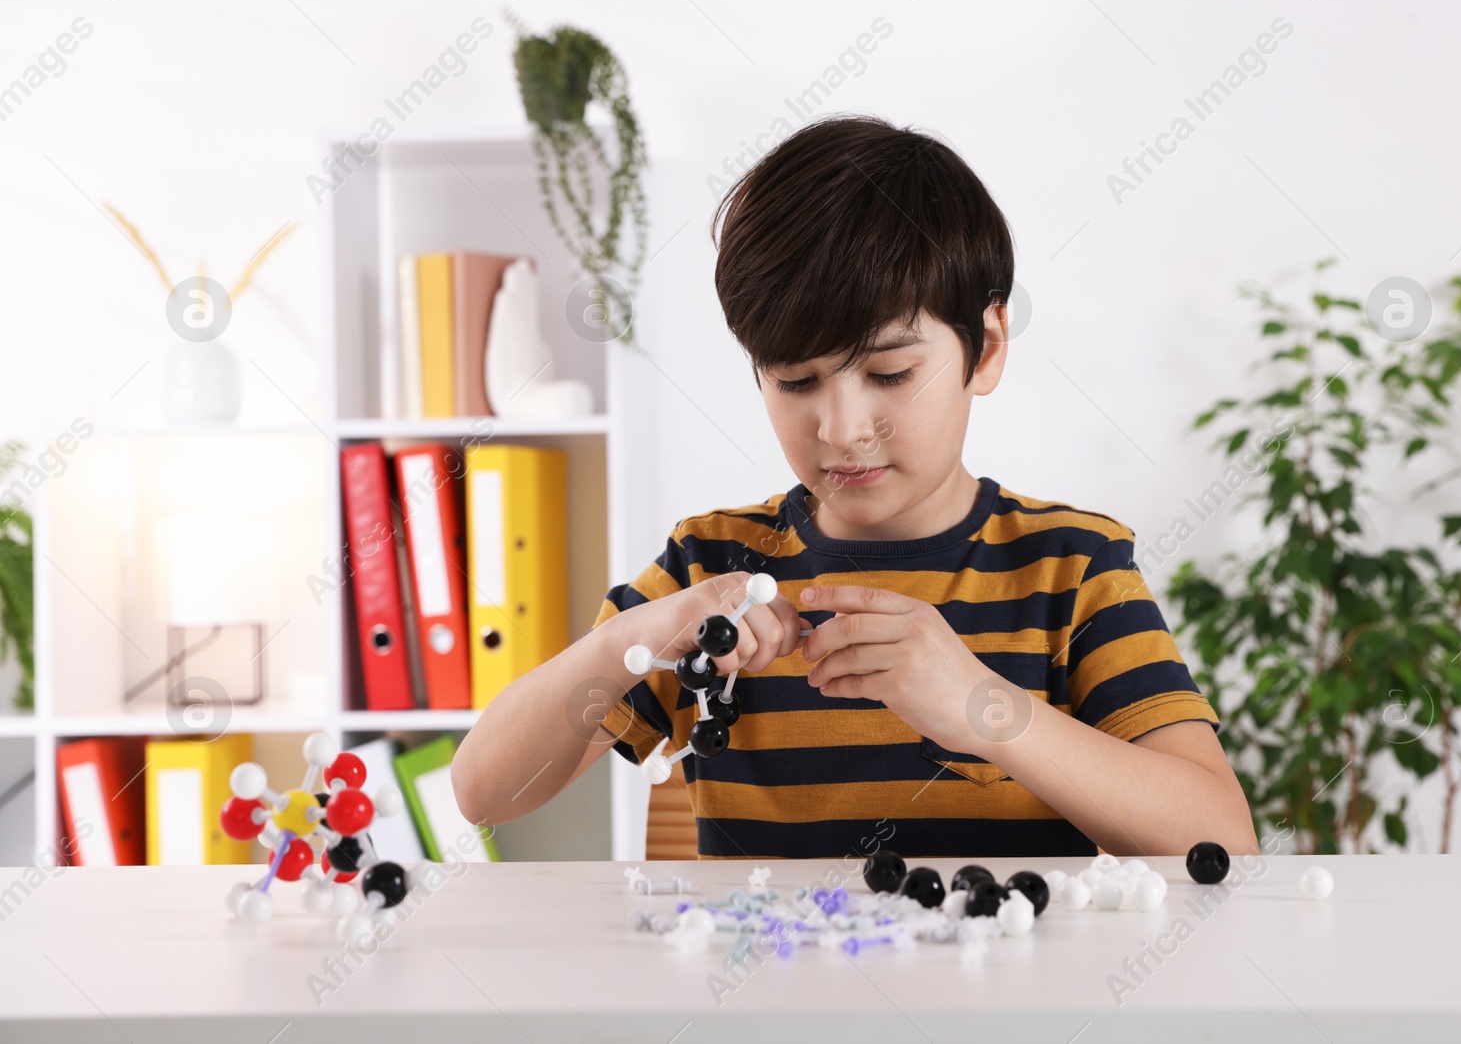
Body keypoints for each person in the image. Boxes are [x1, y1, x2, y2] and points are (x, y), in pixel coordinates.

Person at [454, 114, 1258, 860]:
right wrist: (637, 639)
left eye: (889, 372)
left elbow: (1220, 838)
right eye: (797, 381)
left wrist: (981, 705)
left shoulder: (1072, 569)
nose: (840, 427)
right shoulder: (711, 565)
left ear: (985, 348)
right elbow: (483, 791)